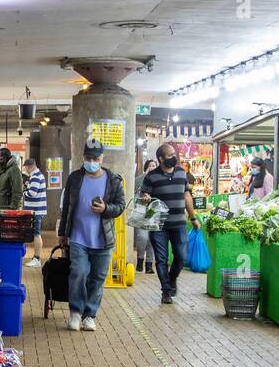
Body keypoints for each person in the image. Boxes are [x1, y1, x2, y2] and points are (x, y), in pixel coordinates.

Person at [57, 139, 125, 332]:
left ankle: (90, 315)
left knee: (97, 278)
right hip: (78, 237)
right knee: (78, 272)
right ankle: (76, 313)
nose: (92, 161)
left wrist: (105, 209)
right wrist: (63, 233)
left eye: (96, 158)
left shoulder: (113, 180)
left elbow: (120, 206)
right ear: (83, 157)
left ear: (102, 158)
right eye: (88, 157)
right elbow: (67, 209)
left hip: (103, 240)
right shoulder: (74, 178)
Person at [138, 143, 200, 304]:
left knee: (181, 256)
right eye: (170, 155)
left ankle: (171, 280)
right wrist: (145, 197)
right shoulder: (151, 176)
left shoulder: (181, 172)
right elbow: (144, 196)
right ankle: (166, 291)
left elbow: (187, 195)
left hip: (179, 224)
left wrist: (193, 217)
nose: (174, 157)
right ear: (161, 158)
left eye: (174, 154)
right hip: (159, 225)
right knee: (161, 259)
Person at [133, 158, 158, 274]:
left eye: (154, 165)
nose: (152, 167)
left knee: (152, 239)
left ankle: (149, 265)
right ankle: (139, 260)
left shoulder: (158, 180)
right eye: (150, 165)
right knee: (142, 237)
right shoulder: (139, 180)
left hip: (154, 212)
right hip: (140, 211)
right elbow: (134, 194)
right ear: (146, 167)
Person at [22, 157, 47, 267]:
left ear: (29, 167)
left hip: (36, 211)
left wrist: (23, 193)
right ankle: (35, 258)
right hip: (36, 210)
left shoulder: (36, 176)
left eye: (26, 167)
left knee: (36, 234)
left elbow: (32, 193)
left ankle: (37, 259)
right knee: (36, 234)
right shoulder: (36, 175)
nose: (26, 170)